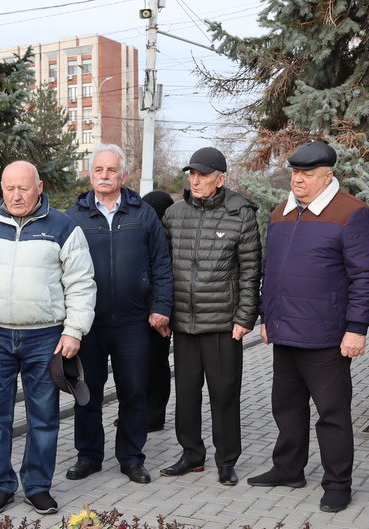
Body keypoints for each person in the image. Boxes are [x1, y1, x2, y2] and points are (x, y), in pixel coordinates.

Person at [0, 161, 96, 514]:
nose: (16, 196)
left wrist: (74, 330)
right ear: (1, 188)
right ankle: (0, 485)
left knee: (44, 416)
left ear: (40, 186)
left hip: (45, 338)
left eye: (24, 188)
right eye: (9, 188)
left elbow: (81, 282)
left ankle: (37, 486)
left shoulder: (63, 227)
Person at [249, 141, 369, 513]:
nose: (298, 181)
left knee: (332, 414)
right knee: (286, 408)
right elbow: (270, 272)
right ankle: (288, 469)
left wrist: (357, 328)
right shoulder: (280, 213)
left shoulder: (351, 213)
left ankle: (338, 483)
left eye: (307, 175)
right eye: (295, 173)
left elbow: (367, 276)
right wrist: (266, 318)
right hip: (284, 332)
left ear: (328, 176)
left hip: (327, 338)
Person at [64, 144, 173, 485]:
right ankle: (89, 456)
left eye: (111, 170)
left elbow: (162, 264)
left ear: (124, 175)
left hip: (133, 322)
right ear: (91, 174)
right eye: (99, 170)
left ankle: (131, 457)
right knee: (88, 392)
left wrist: (161, 307)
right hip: (89, 322)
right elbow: (60, 268)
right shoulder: (74, 216)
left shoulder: (143, 215)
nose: (105, 175)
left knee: (134, 391)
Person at [159, 147, 261, 487]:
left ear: (221, 179)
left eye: (203, 174)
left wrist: (245, 317)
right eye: (192, 174)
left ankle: (226, 460)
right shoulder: (174, 215)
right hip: (184, 323)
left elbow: (250, 271)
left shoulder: (240, 213)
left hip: (222, 324)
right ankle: (191, 455)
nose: (195, 180)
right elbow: (163, 268)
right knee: (186, 394)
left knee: (224, 394)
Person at [140, 190, 176, 431]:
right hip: (144, 311)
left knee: (156, 366)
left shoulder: (167, 238)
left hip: (158, 313)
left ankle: (154, 415)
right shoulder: (148, 234)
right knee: (144, 367)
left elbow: (166, 277)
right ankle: (142, 413)